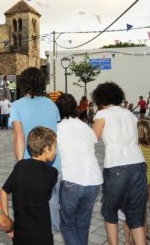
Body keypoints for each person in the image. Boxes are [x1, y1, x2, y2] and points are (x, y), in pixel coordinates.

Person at [92, 82, 147, 245]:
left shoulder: (102, 115)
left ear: (100, 98)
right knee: (136, 215)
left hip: (116, 165)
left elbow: (93, 138)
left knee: (110, 211)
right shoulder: (130, 114)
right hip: (138, 164)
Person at [10, 67, 62, 231]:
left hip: (29, 163)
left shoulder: (17, 105)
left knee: (30, 212)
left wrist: (20, 164)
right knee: (52, 208)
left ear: (23, 84)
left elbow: (19, 135)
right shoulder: (52, 105)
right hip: (53, 163)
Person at [56, 94, 102, 245]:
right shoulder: (85, 127)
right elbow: (93, 142)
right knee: (82, 225)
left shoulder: (58, 128)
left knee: (67, 224)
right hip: (94, 180)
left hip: (72, 178)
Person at [1, 127, 58, 244]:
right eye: (55, 147)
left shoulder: (20, 166)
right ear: (46, 149)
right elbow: (45, 196)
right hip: (41, 235)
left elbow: (4, 191)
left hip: (20, 233)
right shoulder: (52, 173)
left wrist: (7, 222)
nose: (56, 151)